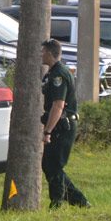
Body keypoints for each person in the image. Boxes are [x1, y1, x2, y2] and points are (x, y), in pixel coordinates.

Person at [41, 38, 91, 209]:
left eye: (42, 51)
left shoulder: (58, 75)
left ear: (48, 53)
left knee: (53, 165)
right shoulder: (54, 72)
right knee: (49, 165)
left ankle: (57, 203)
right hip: (59, 125)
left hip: (62, 126)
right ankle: (79, 201)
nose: (41, 55)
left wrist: (48, 131)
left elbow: (58, 105)